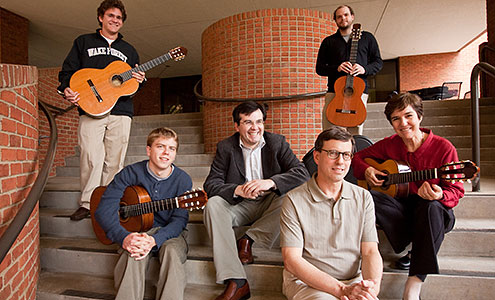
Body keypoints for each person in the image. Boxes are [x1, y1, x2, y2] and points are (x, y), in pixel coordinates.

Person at [352, 92, 464, 300]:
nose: (403, 123)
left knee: (429, 207)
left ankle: (414, 283)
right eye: (396, 119)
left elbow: (456, 190)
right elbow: (357, 157)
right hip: (402, 212)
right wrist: (367, 170)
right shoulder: (391, 144)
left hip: (434, 213)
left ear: (419, 117)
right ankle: (405, 243)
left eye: (408, 116)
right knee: (368, 197)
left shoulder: (443, 147)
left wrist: (440, 194)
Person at [203, 101, 310, 300]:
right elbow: (211, 184)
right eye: (248, 122)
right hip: (239, 205)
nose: (255, 128)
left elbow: (302, 174)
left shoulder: (277, 142)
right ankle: (237, 280)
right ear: (237, 126)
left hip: (271, 203)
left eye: (259, 121)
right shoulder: (226, 147)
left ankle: (248, 239)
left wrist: (270, 182)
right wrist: (237, 189)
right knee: (213, 204)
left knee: (294, 197)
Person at [57, 0, 146, 221]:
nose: (115, 20)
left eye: (119, 18)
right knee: (90, 157)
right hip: (90, 109)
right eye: (111, 16)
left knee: (115, 160)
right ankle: (87, 203)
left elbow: (132, 85)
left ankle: (108, 203)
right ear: (101, 17)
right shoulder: (83, 42)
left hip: (121, 110)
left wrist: (140, 79)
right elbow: (67, 72)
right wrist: (67, 89)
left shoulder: (129, 50)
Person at [280, 127, 382, 300]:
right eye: (333, 153)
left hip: (353, 281)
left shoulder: (363, 197)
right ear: (317, 157)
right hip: (307, 284)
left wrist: (371, 287)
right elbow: (292, 260)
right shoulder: (293, 200)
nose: (340, 161)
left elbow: (370, 251)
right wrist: (341, 289)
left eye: (346, 155)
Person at [94, 127, 191, 300]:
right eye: (160, 146)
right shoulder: (130, 173)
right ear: (148, 150)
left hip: (170, 233)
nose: (166, 153)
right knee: (135, 249)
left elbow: (179, 220)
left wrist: (155, 240)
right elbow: (104, 209)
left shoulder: (182, 179)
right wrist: (124, 237)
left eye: (172, 148)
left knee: (171, 252)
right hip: (138, 230)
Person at [316, 5, 383, 135]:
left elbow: (378, 63)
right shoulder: (328, 42)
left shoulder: (368, 38)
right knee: (330, 131)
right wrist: (337, 68)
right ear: (335, 20)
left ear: (352, 16)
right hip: (334, 92)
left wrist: (364, 69)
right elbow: (319, 68)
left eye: (346, 15)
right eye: (339, 17)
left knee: (356, 132)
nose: (343, 19)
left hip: (358, 91)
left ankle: (354, 155)